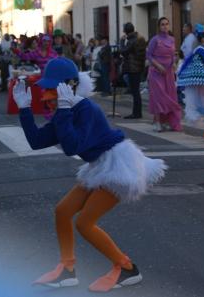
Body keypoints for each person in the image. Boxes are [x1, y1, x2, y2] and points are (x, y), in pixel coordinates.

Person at [14, 57, 166, 291]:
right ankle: (67, 268)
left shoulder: (86, 109)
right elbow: (36, 141)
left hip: (118, 165)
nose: (47, 96)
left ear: (70, 86)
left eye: (52, 90)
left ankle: (126, 267)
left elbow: (72, 146)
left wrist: (63, 111)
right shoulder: (64, 110)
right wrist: (24, 109)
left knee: (85, 223)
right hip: (98, 165)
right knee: (63, 211)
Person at [146, 17, 182, 131]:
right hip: (156, 72)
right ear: (159, 26)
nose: (165, 26)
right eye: (162, 24)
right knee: (159, 97)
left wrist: (174, 64)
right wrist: (158, 65)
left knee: (169, 96)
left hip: (169, 73)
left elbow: (172, 54)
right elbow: (149, 55)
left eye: (167, 24)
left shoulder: (172, 39)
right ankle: (157, 122)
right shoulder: (155, 40)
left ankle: (165, 120)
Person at [120, 23, 147, 119]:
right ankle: (137, 112)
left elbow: (123, 51)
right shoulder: (140, 38)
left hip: (133, 68)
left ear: (126, 31)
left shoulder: (132, 40)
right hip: (138, 67)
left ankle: (136, 113)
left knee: (135, 92)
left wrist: (122, 41)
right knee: (136, 92)